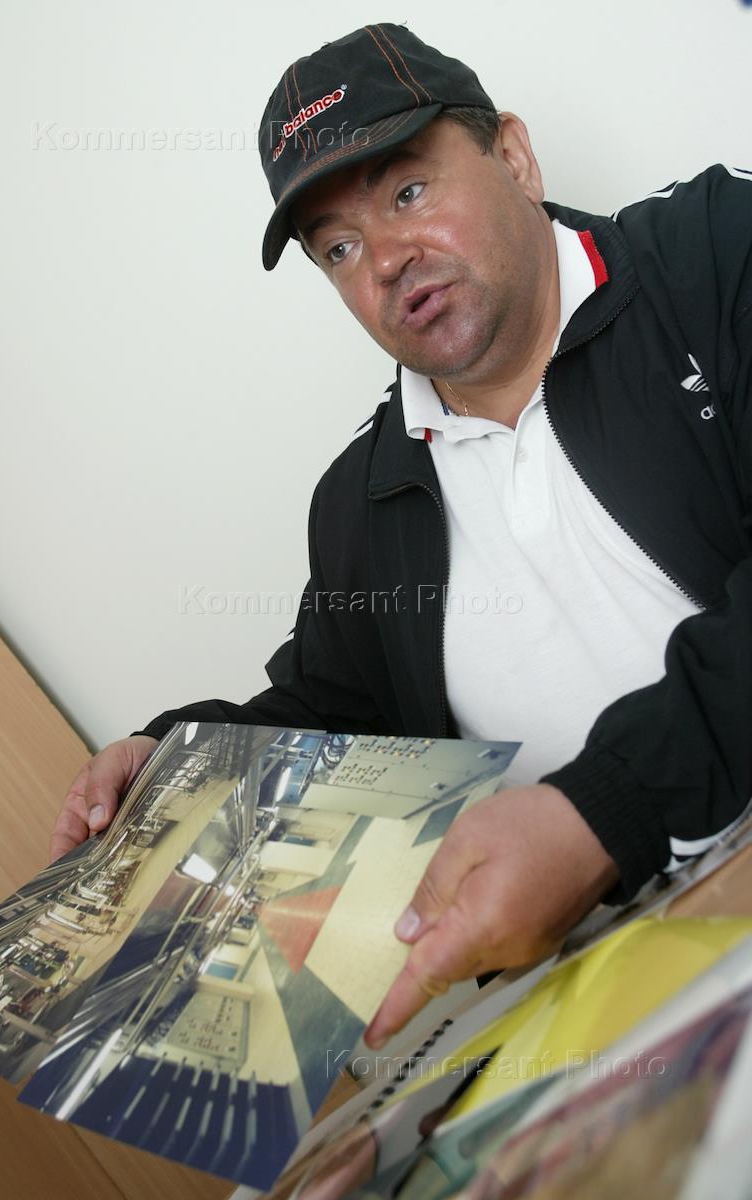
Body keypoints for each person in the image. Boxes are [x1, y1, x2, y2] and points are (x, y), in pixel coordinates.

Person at [49, 23, 752, 1051]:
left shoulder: (716, 254)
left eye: (408, 191)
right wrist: (179, 759)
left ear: (513, 155)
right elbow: (340, 717)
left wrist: (609, 810)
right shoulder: (361, 500)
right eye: (337, 247)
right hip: (628, 1032)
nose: (384, 260)